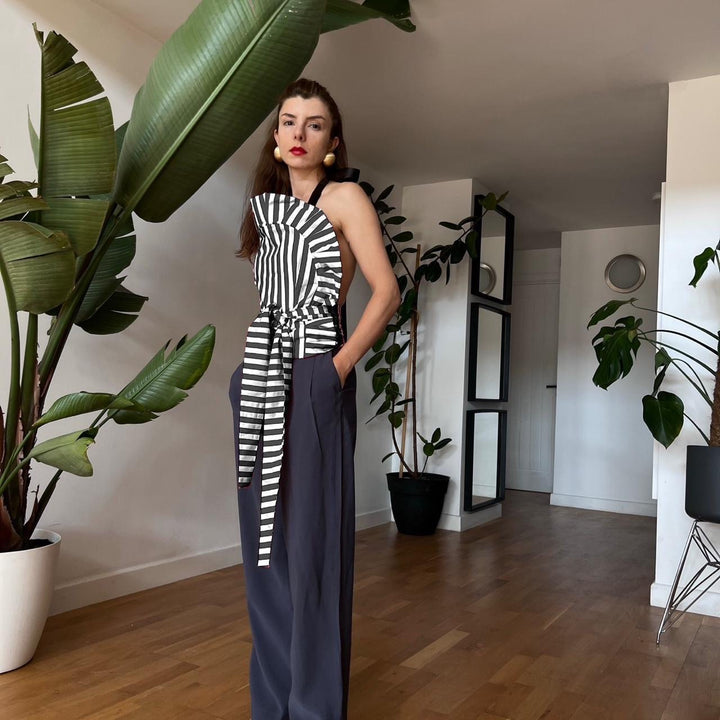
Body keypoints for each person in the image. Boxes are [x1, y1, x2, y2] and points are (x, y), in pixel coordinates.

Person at [228, 78, 400, 720]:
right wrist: (245, 377)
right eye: (289, 122)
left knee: (311, 548)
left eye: (316, 124)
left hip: (315, 370)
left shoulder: (346, 197)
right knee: (263, 547)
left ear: (333, 141)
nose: (299, 133)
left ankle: (314, 708)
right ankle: (271, 704)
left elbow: (385, 292)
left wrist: (338, 367)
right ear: (275, 137)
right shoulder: (265, 205)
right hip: (259, 374)